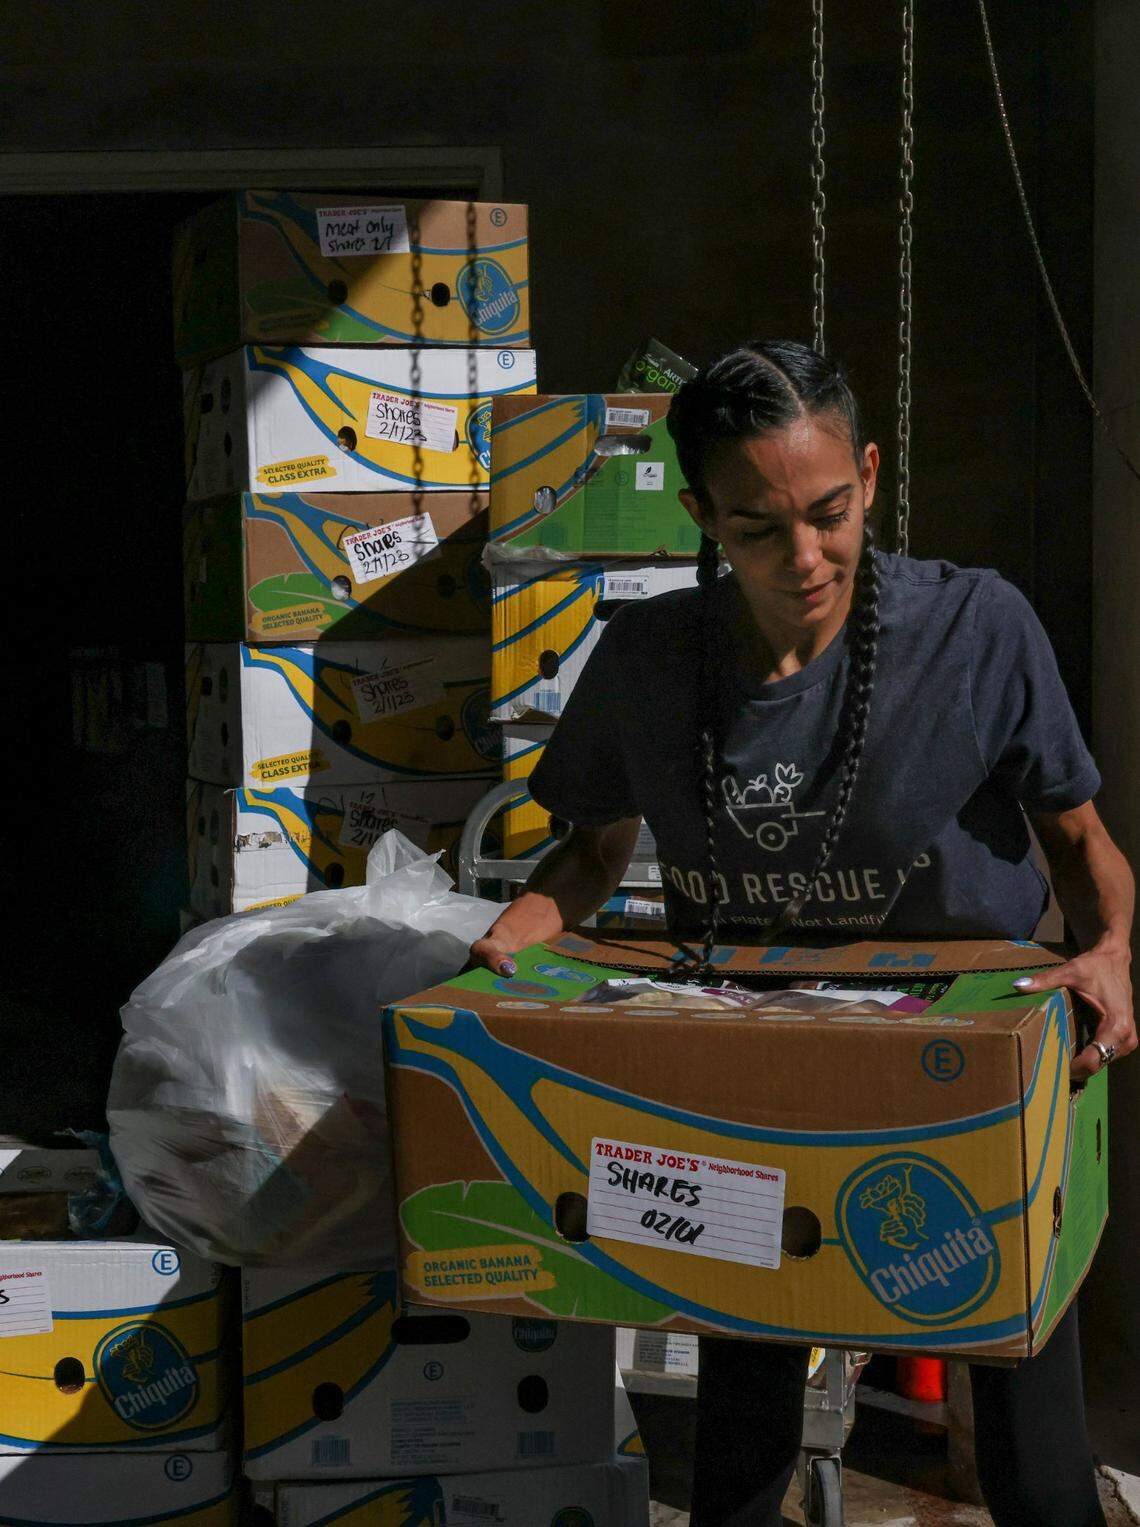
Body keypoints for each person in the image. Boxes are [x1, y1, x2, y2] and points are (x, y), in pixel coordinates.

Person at [471, 340, 1135, 1527]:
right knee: (740, 1428)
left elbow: (1082, 844)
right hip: (749, 1072)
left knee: (1034, 1445)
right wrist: (507, 943)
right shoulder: (651, 659)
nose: (807, 556)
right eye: (757, 529)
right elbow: (591, 851)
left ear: (871, 476)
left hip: (962, 1073)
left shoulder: (976, 629)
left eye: (830, 513)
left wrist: (1111, 956)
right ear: (700, 516)